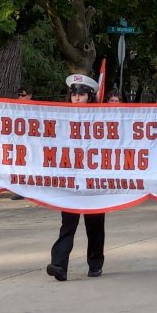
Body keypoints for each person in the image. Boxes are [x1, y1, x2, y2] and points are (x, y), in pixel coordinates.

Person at [47, 74, 106, 282]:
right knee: (68, 224)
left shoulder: (102, 117)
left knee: (95, 224)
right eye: (74, 94)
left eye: (81, 94)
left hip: (94, 179)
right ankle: (59, 265)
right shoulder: (62, 117)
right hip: (70, 179)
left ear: (90, 96)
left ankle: (95, 263)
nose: (77, 98)